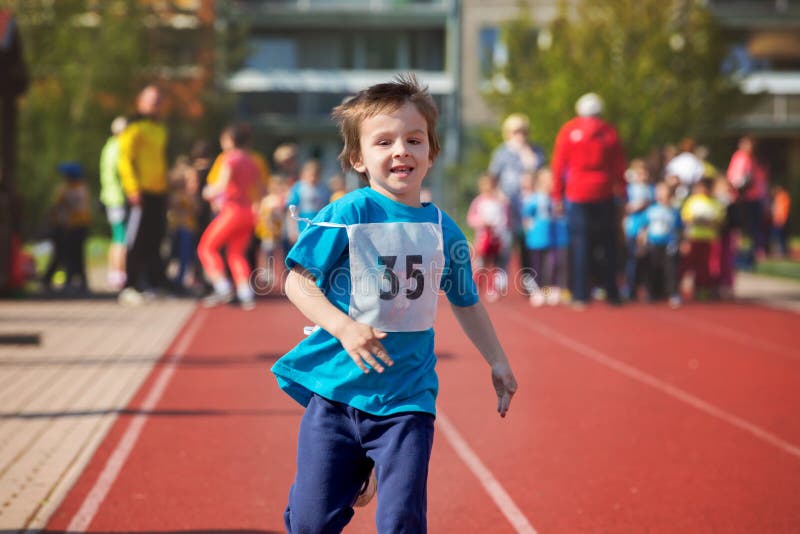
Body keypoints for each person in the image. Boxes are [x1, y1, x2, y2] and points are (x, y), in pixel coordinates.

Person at [272, 74, 518, 533]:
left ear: (431, 152)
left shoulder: (443, 229)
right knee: (310, 523)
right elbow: (298, 284)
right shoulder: (348, 214)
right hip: (337, 395)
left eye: (413, 139)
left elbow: (465, 301)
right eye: (384, 142)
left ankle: (371, 465)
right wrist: (345, 327)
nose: (401, 150)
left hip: (408, 399)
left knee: (402, 520)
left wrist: (498, 360)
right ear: (358, 159)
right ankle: (357, 469)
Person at [551, 92, 626, 309]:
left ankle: (581, 295)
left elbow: (559, 165)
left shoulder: (569, 131)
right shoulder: (609, 132)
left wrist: (557, 195)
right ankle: (612, 293)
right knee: (608, 244)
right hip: (604, 192)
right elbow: (619, 165)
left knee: (580, 244)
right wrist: (623, 192)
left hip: (577, 193)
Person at [197, 124, 262, 311]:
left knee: (206, 248)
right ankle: (245, 293)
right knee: (236, 253)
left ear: (231, 140)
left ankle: (222, 286)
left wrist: (208, 192)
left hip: (231, 211)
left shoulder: (229, 159)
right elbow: (260, 190)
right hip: (248, 213)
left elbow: (221, 186)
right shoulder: (252, 161)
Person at [117, 85, 171, 305]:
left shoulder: (160, 129)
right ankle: (129, 286)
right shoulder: (133, 127)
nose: (155, 103)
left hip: (158, 192)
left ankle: (149, 284)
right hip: (139, 193)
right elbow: (124, 160)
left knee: (154, 239)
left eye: (158, 99)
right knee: (135, 239)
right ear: (140, 101)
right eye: (150, 99)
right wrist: (132, 188)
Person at [489, 113, 547, 288]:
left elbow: (539, 172)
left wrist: (526, 151)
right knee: (506, 241)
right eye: (515, 132)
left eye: (522, 131)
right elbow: (493, 177)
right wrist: (498, 196)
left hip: (529, 205)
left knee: (527, 242)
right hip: (508, 204)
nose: (519, 135)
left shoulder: (534, 150)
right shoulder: (502, 152)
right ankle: (501, 275)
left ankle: (529, 277)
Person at [42, 163, 91, 294]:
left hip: (75, 227)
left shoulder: (77, 189)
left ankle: (76, 281)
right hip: (65, 226)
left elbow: (70, 207)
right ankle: (71, 281)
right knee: (66, 255)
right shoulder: (69, 188)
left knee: (74, 256)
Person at [726, 135, 769, 269]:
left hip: (753, 199)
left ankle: (748, 258)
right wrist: (738, 192)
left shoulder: (752, 160)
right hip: (743, 199)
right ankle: (740, 259)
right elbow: (735, 179)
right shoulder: (740, 158)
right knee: (741, 230)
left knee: (752, 230)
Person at [466, 173, 511, 301]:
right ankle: (476, 287)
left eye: (490, 186)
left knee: (495, 265)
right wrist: (482, 223)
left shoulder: (500, 202)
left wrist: (498, 228)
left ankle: (493, 289)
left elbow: (505, 219)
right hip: (482, 239)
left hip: (496, 239)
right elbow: (471, 218)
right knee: (480, 265)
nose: (488, 188)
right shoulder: (478, 201)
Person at [680, 178, 725, 300]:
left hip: (709, 239)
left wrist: (706, 222)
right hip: (694, 238)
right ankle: (682, 289)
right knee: (688, 264)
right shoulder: (692, 201)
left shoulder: (715, 203)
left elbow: (719, 221)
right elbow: (686, 219)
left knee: (706, 267)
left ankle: (704, 289)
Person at [99, 116, 128, 290]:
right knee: (121, 238)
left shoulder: (108, 147)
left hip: (110, 197)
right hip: (118, 198)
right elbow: (122, 173)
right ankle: (120, 273)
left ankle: (113, 273)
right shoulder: (119, 148)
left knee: (116, 236)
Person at [642, 182, 682, 308]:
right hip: (653, 242)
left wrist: (682, 242)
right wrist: (642, 239)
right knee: (652, 268)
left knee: (670, 269)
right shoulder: (651, 210)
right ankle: (652, 292)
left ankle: (672, 293)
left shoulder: (674, 211)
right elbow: (644, 226)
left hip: (669, 244)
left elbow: (679, 228)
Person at [621, 159, 654, 301]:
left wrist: (646, 229)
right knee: (632, 259)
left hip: (647, 230)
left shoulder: (651, 189)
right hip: (632, 229)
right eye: (639, 173)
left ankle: (648, 289)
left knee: (647, 260)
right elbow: (624, 208)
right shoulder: (628, 189)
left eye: (644, 172)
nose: (642, 176)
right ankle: (630, 288)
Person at [665, 138, 705, 204]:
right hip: (688, 191)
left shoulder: (676, 160)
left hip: (680, 191)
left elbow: (669, 176)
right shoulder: (697, 162)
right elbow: (700, 177)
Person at [770, 184, 791, 257]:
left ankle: (782, 251)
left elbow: (782, 209)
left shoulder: (783, 196)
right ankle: (781, 250)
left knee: (779, 236)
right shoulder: (778, 197)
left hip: (780, 220)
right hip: (777, 220)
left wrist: (781, 219)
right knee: (779, 236)